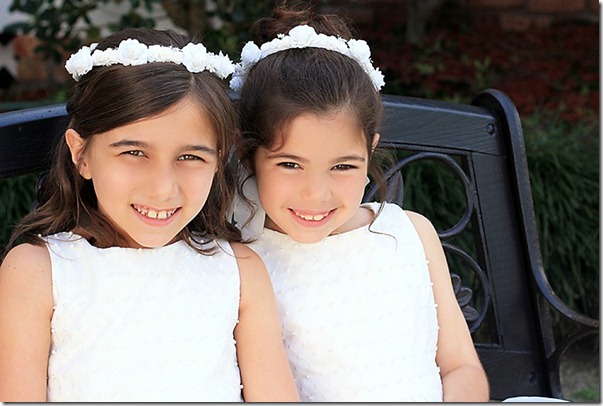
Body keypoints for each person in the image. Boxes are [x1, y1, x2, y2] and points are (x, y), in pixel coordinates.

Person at [0, 27, 299, 403]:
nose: (162, 188)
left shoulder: (238, 270)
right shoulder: (37, 272)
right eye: (133, 153)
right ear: (81, 154)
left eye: (190, 157)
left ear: (218, 159)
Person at [231, 4, 490, 402]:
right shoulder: (244, 261)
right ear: (250, 156)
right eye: (290, 164)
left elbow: (461, 366)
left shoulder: (411, 233)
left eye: (343, 166)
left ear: (370, 152)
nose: (316, 194)